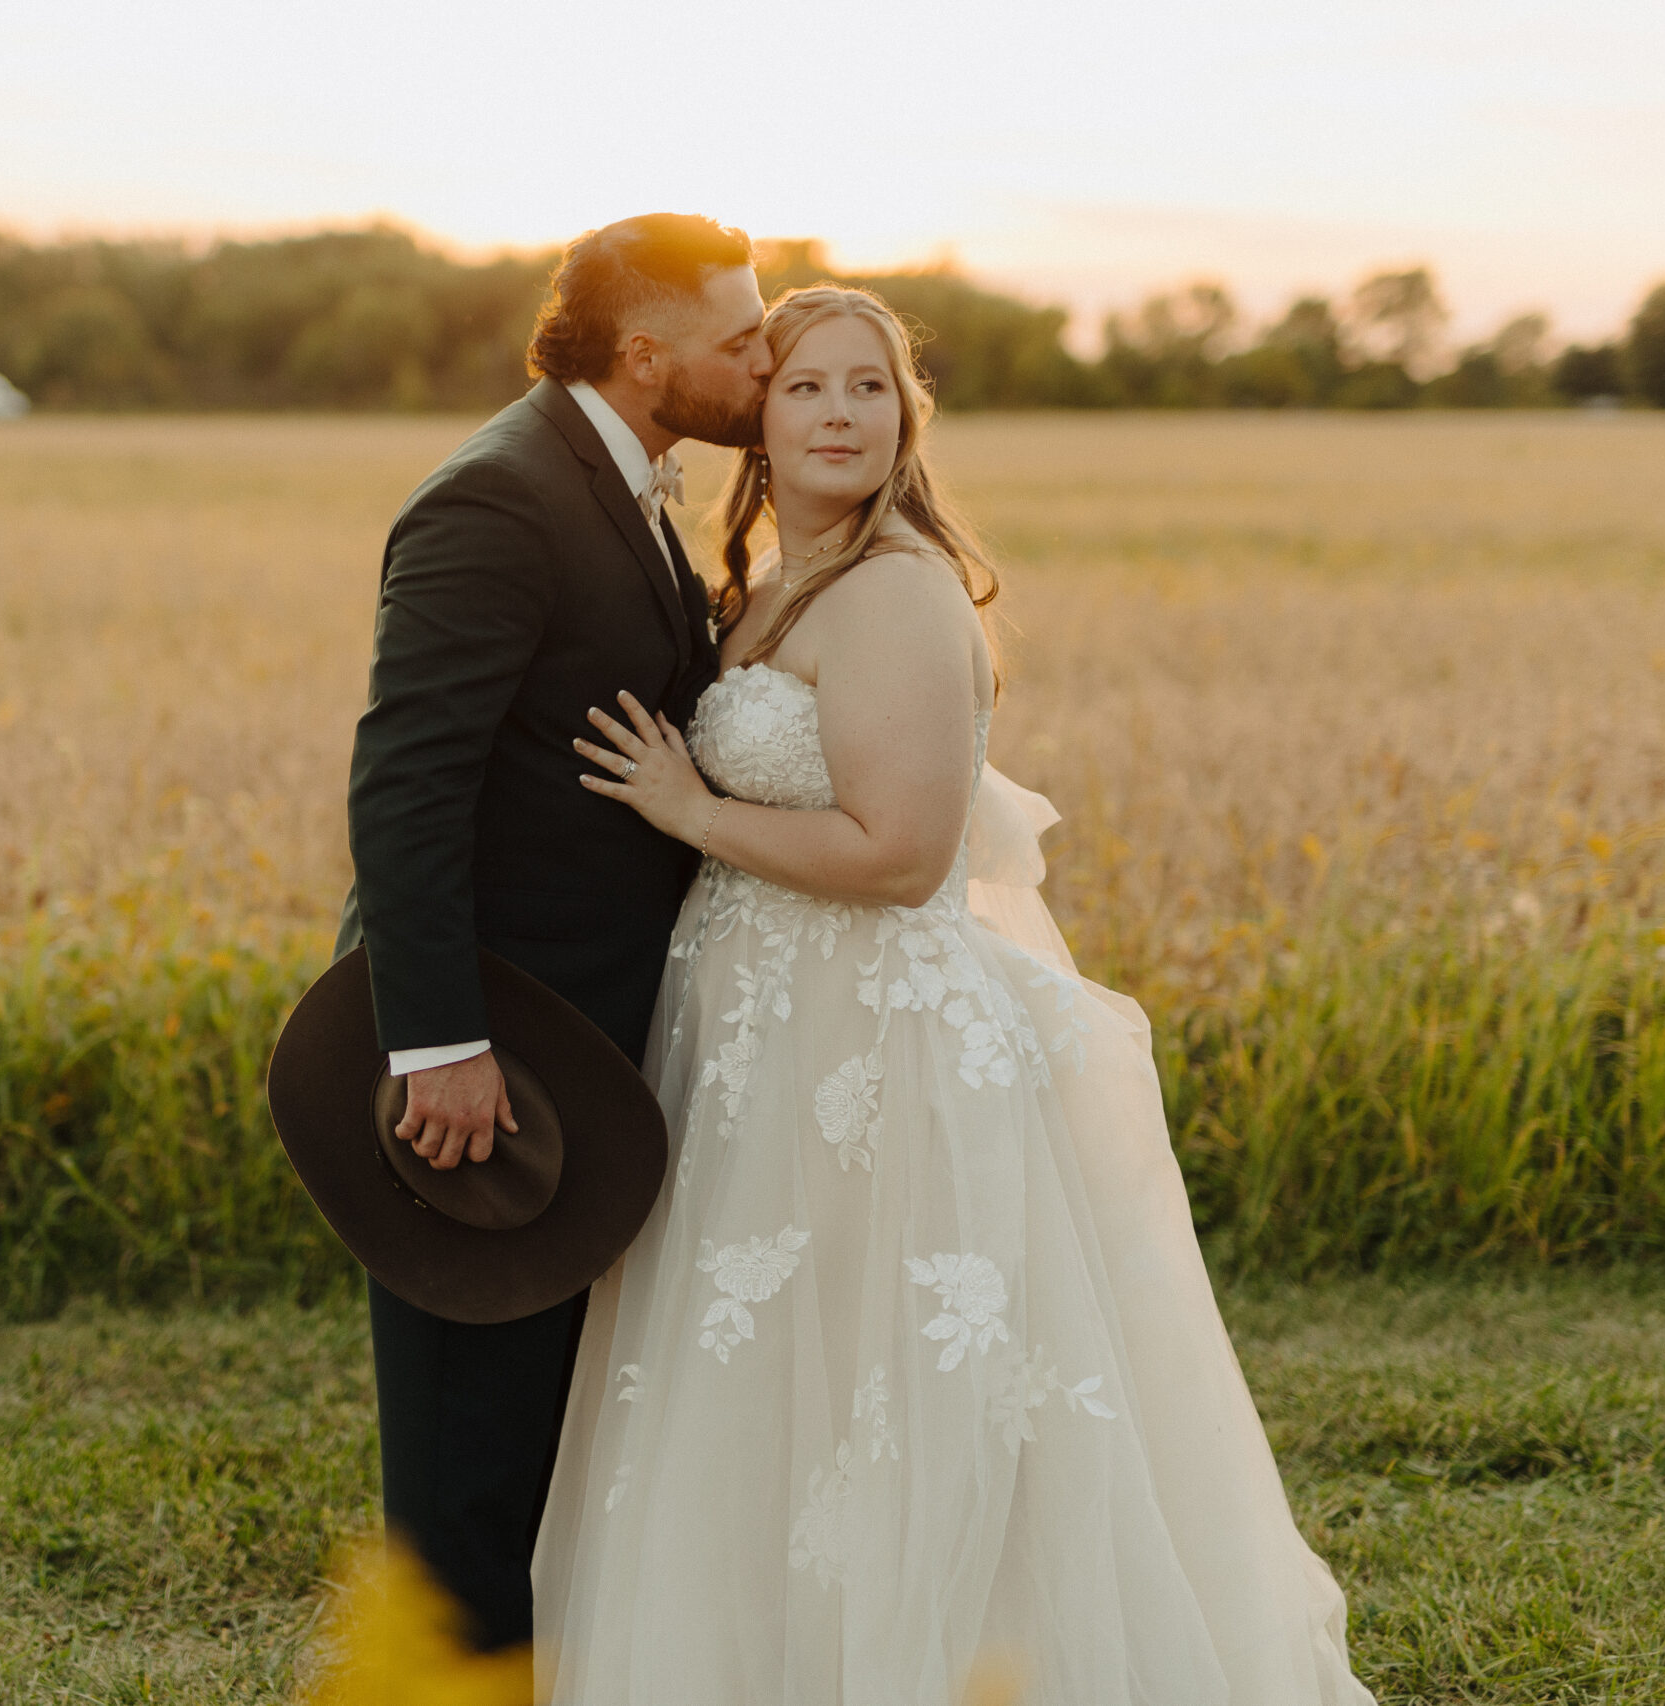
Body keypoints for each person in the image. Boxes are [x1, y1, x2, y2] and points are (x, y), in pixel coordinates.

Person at [533, 285, 1377, 1705]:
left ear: (907, 418)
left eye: (871, 388)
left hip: (875, 1042)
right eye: (806, 387)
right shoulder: (766, 589)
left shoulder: (901, 590)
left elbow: (901, 854)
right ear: (761, 418)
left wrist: (687, 810)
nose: (841, 413)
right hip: (766, 1044)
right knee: (780, 1398)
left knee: (895, 1400)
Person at [332, 212, 772, 1656]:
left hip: (589, 1043)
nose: (765, 365)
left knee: (548, 1438)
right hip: (491, 1059)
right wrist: (439, 1042)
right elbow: (407, 785)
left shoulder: (632, 480)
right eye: (742, 341)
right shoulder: (498, 499)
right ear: (647, 358)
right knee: (472, 1458)